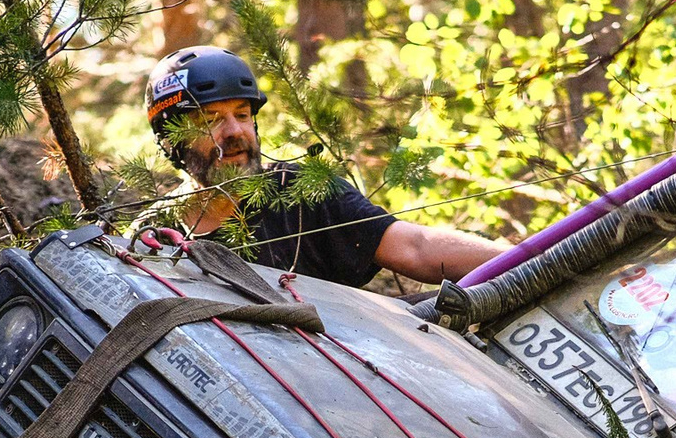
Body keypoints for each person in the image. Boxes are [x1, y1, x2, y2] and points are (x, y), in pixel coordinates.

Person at [144, 45, 505, 289]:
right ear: (171, 139)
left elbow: (416, 247)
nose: (236, 132)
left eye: (243, 115)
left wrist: (533, 261)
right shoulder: (151, 232)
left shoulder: (304, 192)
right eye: (211, 120)